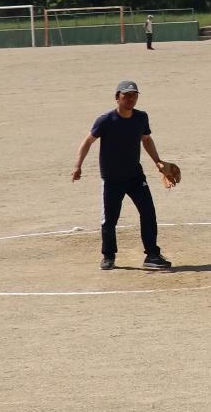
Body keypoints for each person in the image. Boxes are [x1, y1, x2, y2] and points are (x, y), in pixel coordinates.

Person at [72, 80, 173, 271]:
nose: (130, 99)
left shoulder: (141, 118)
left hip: (135, 177)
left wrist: (158, 162)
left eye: (133, 95)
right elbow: (87, 142)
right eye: (126, 95)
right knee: (110, 219)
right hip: (112, 180)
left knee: (148, 213)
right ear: (117, 97)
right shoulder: (106, 121)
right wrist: (78, 166)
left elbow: (147, 139)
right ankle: (108, 256)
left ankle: (152, 254)